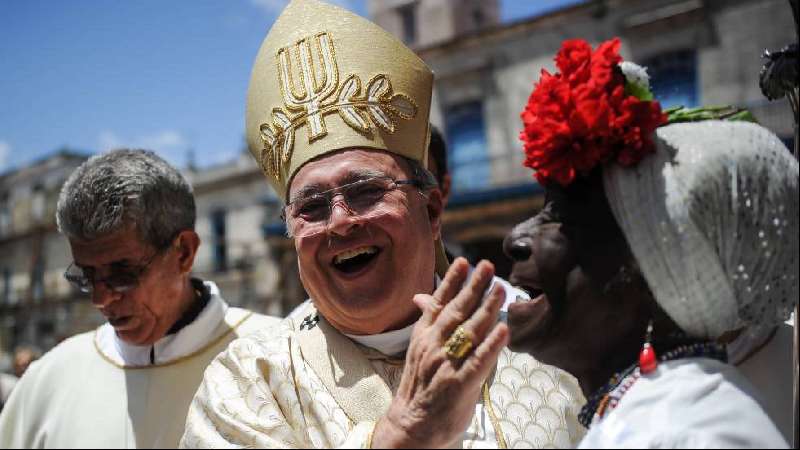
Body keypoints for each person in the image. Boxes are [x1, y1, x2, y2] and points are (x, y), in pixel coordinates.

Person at [180, 0, 585, 448]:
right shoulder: (247, 382)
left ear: (431, 210)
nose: (340, 221)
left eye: (365, 191)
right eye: (311, 206)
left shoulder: (543, 335)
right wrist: (405, 434)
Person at [502, 38, 796, 447]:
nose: (515, 239)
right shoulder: (652, 415)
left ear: (651, 274)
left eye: (566, 220)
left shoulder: (694, 431)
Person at [0, 149, 279, 448]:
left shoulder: (276, 360)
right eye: (87, 276)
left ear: (184, 253)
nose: (100, 299)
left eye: (122, 273)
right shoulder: (47, 383)